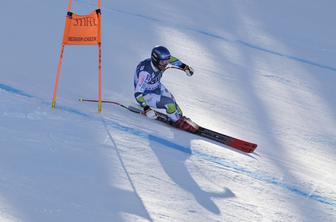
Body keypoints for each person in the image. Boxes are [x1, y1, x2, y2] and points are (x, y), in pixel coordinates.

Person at [133, 46, 198, 132]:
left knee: (174, 104)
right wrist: (146, 108)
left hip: (156, 86)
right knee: (169, 103)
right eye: (163, 62)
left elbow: (172, 59)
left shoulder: (161, 61)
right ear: (156, 60)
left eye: (167, 61)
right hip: (145, 94)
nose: (166, 64)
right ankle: (178, 122)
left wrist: (185, 67)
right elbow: (137, 93)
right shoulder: (145, 73)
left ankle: (178, 117)